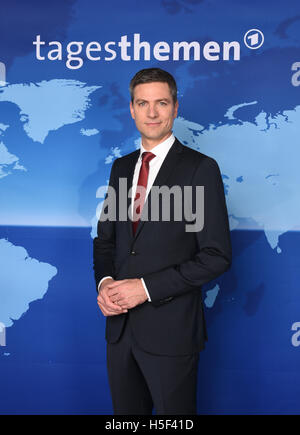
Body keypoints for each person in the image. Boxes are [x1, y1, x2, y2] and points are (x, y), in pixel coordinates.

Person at [93, 68, 232, 415]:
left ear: (175, 108)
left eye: (161, 103)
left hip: (171, 333)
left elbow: (216, 256)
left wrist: (145, 288)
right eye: (143, 103)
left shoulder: (200, 169)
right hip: (120, 332)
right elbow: (105, 240)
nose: (152, 112)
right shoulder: (121, 168)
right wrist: (106, 283)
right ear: (132, 109)